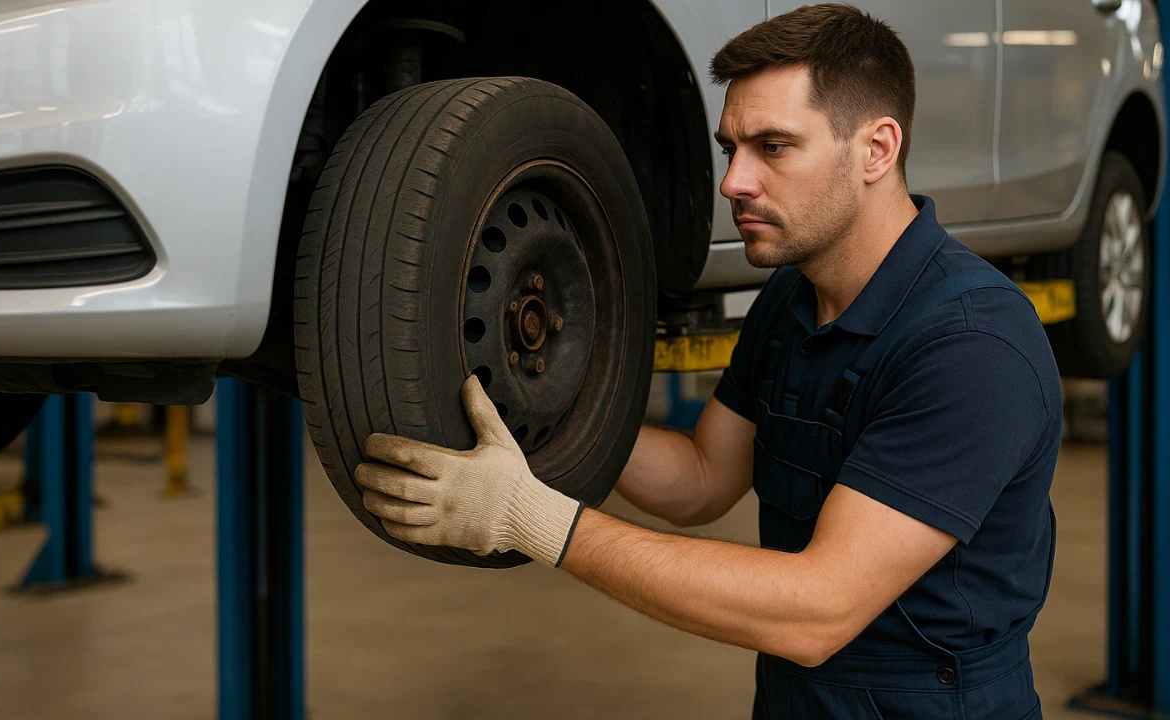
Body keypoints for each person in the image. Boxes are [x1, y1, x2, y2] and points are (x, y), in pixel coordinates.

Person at [353, 4, 1062, 718]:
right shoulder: (792, 298)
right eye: (731, 150)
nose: (733, 183)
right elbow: (701, 478)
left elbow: (819, 609)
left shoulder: (973, 346)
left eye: (774, 147)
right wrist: (543, 411)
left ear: (877, 149)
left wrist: (529, 516)